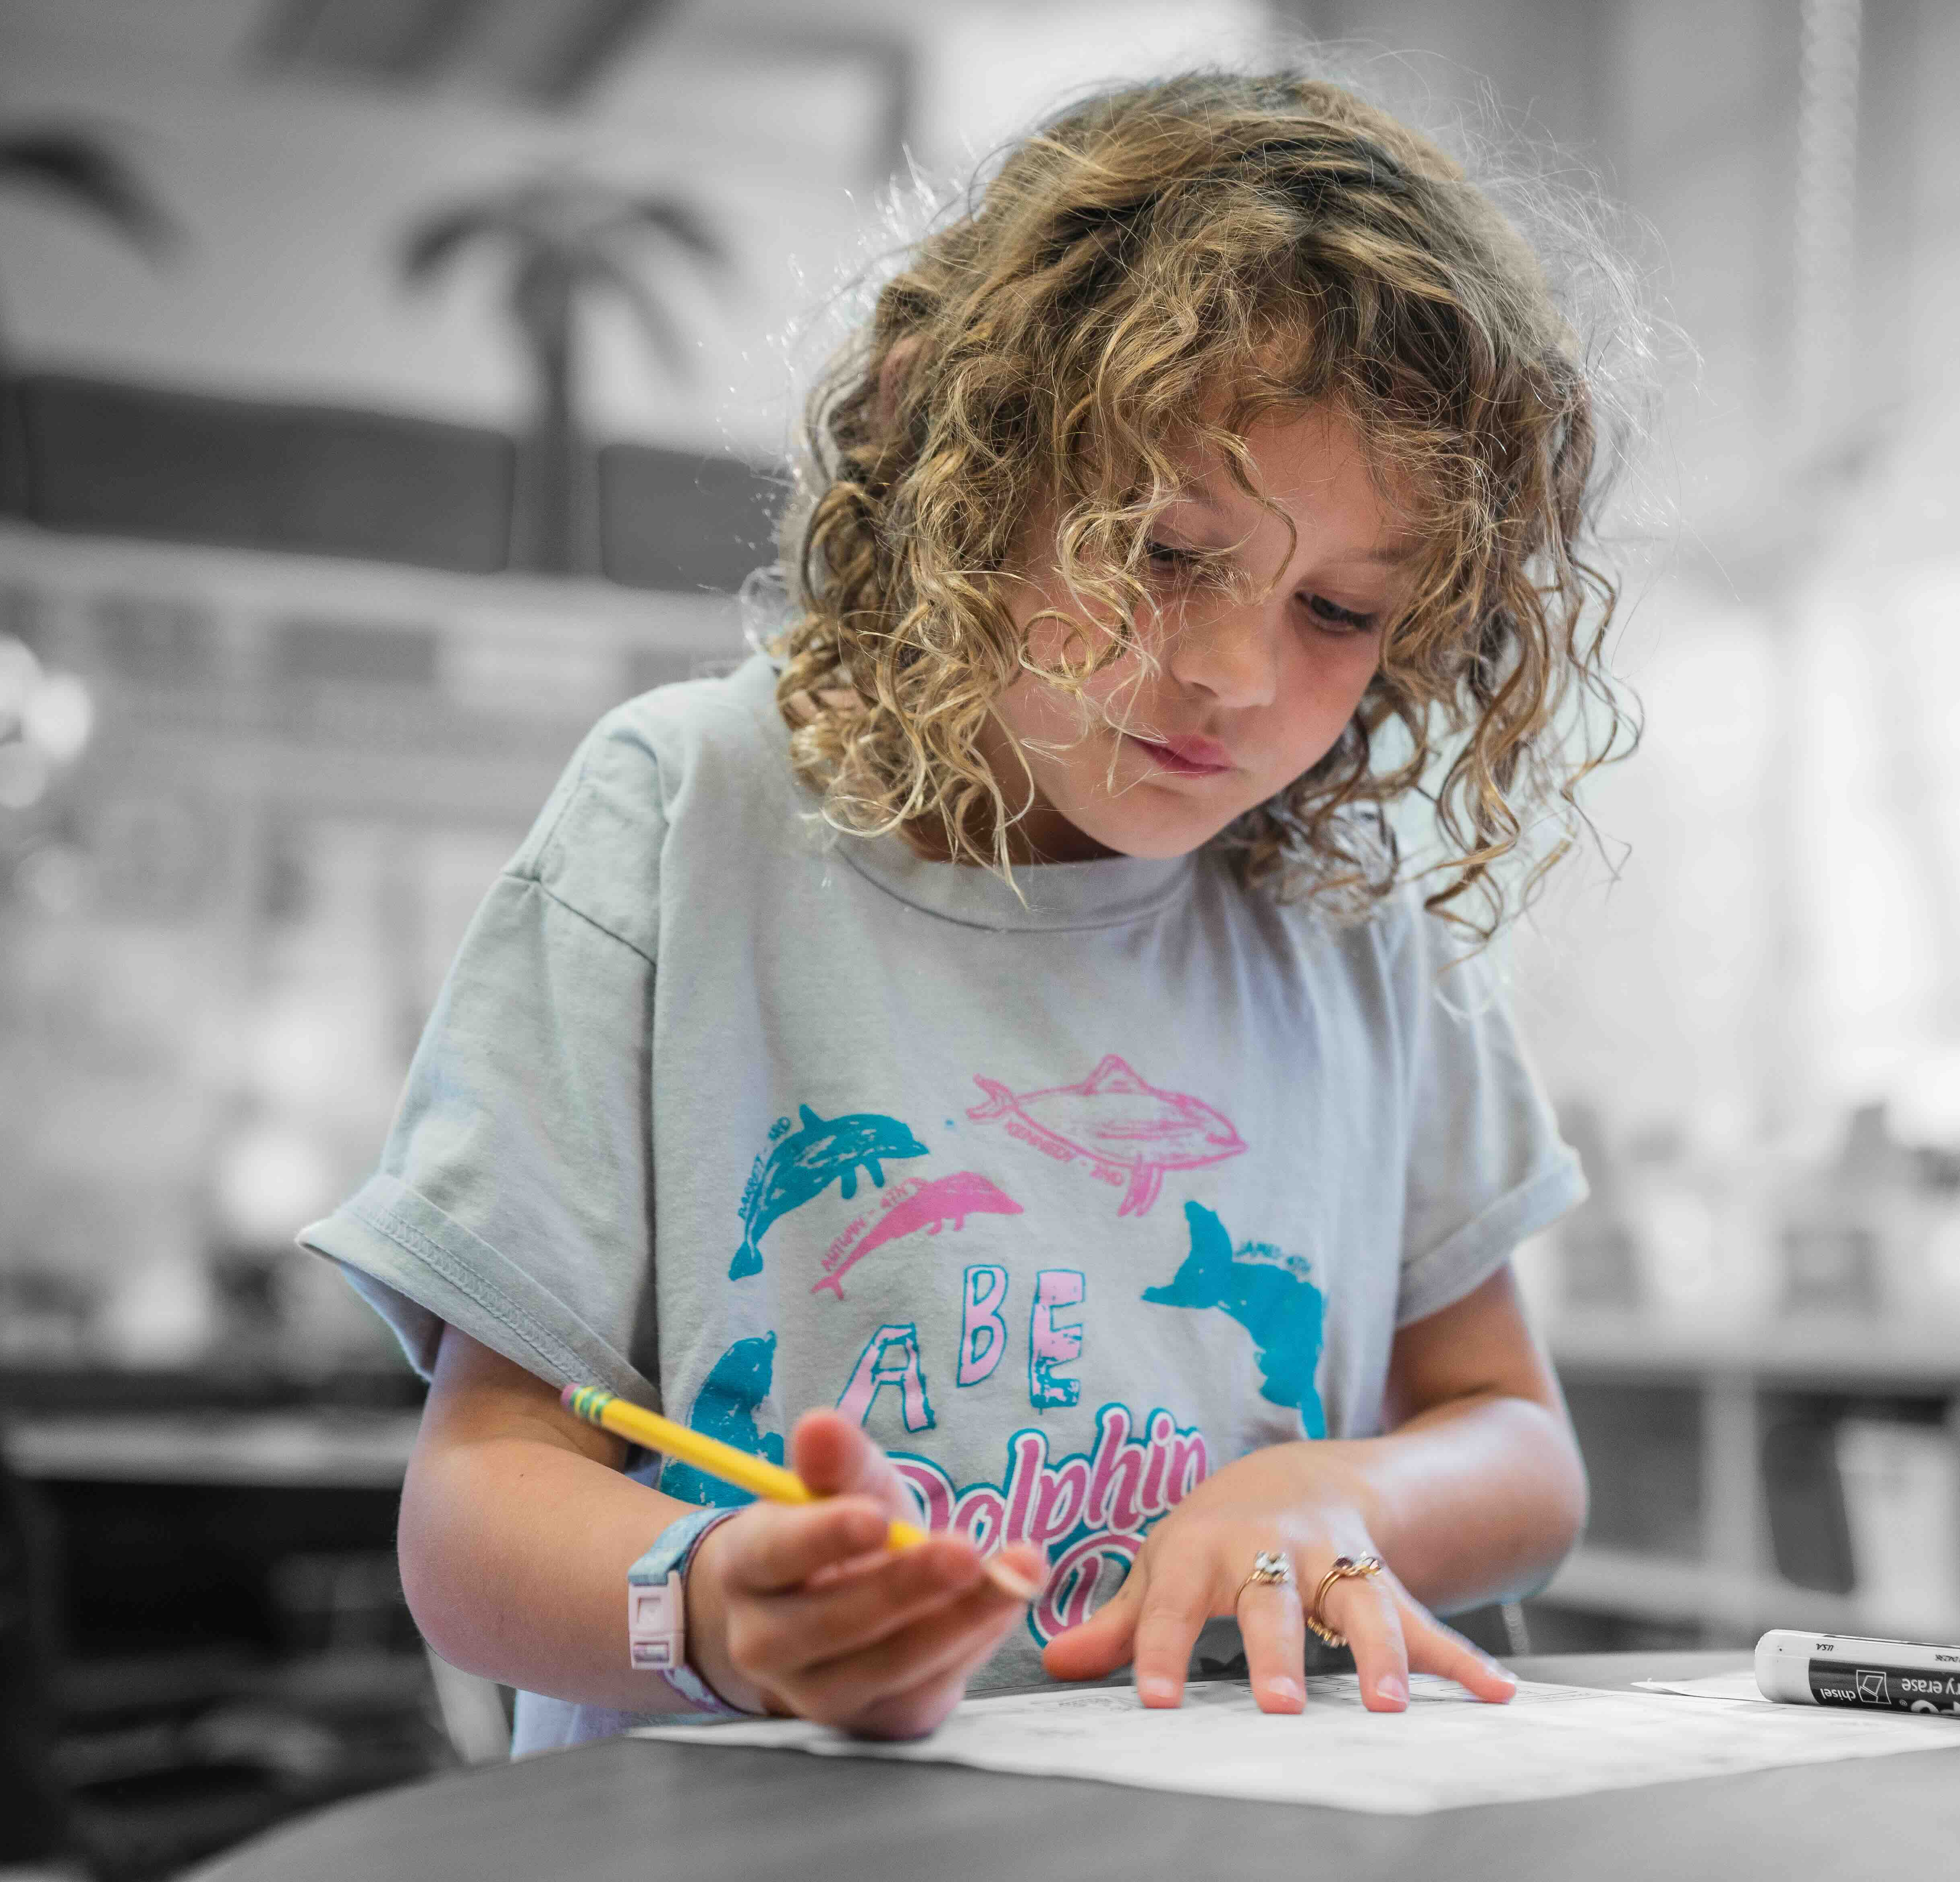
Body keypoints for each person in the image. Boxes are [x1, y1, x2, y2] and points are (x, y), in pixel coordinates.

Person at [300, 67, 1636, 1755]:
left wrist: (1344, 1492)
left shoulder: (1350, 914)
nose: (1233, 671)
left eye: (1340, 608)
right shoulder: (686, 812)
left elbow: (1517, 1440)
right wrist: (721, 1610)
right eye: (1161, 550)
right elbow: (476, 1505)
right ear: (970, 467)